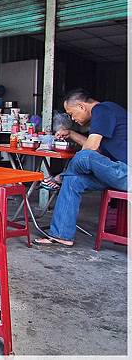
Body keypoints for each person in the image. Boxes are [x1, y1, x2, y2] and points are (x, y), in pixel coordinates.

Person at [34, 88, 128, 247]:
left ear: (82, 106)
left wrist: (62, 173)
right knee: (73, 180)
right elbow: (96, 150)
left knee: (84, 156)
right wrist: (70, 133)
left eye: (72, 113)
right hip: (115, 172)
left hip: (127, 173)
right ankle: (61, 235)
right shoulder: (103, 116)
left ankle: (59, 178)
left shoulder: (103, 109)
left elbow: (90, 151)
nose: (72, 118)